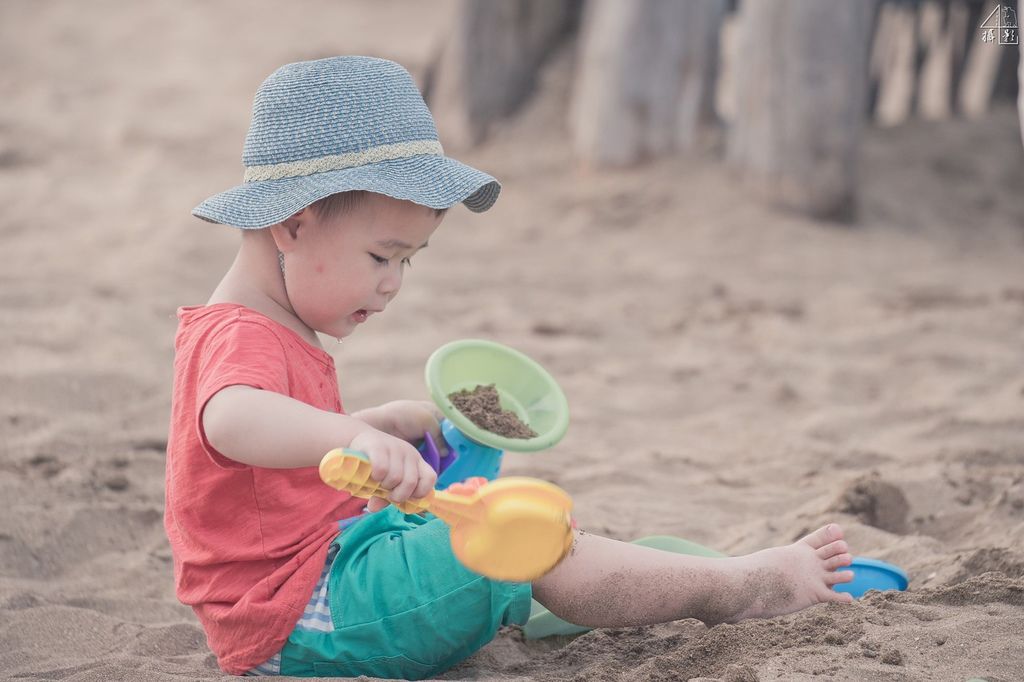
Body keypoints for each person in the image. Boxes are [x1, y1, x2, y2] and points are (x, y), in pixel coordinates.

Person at [165, 56, 855, 679]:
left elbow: (258, 473)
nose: (394, 284)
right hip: (299, 620)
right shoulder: (240, 334)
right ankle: (734, 588)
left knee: (474, 500)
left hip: (323, 578)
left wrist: (371, 426)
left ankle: (583, 582)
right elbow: (231, 421)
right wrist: (347, 438)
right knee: (507, 538)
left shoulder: (268, 325)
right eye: (382, 256)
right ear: (292, 225)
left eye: (409, 260)